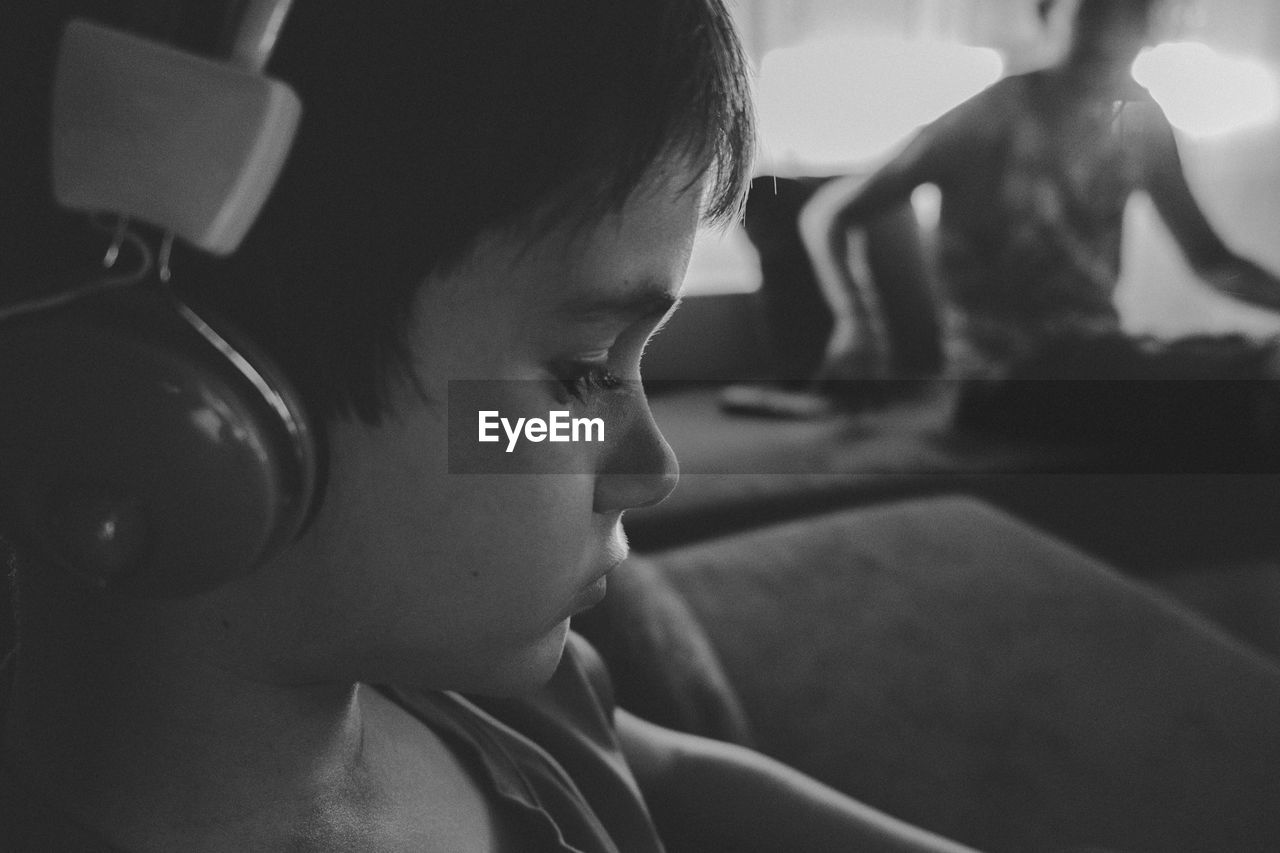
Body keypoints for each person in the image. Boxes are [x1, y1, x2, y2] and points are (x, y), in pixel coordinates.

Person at [0, 2, 992, 851]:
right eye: (577, 374)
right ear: (174, 402)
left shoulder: (498, 693)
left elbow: (662, 776)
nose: (651, 466)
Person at [799, 0, 1280, 383]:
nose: (1111, 35)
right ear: (1050, 12)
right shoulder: (992, 116)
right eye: (1093, 14)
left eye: (1129, 16)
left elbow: (1214, 263)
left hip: (1099, 356)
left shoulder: (1141, 125)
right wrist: (855, 323)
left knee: (1253, 366)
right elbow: (828, 214)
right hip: (1004, 375)